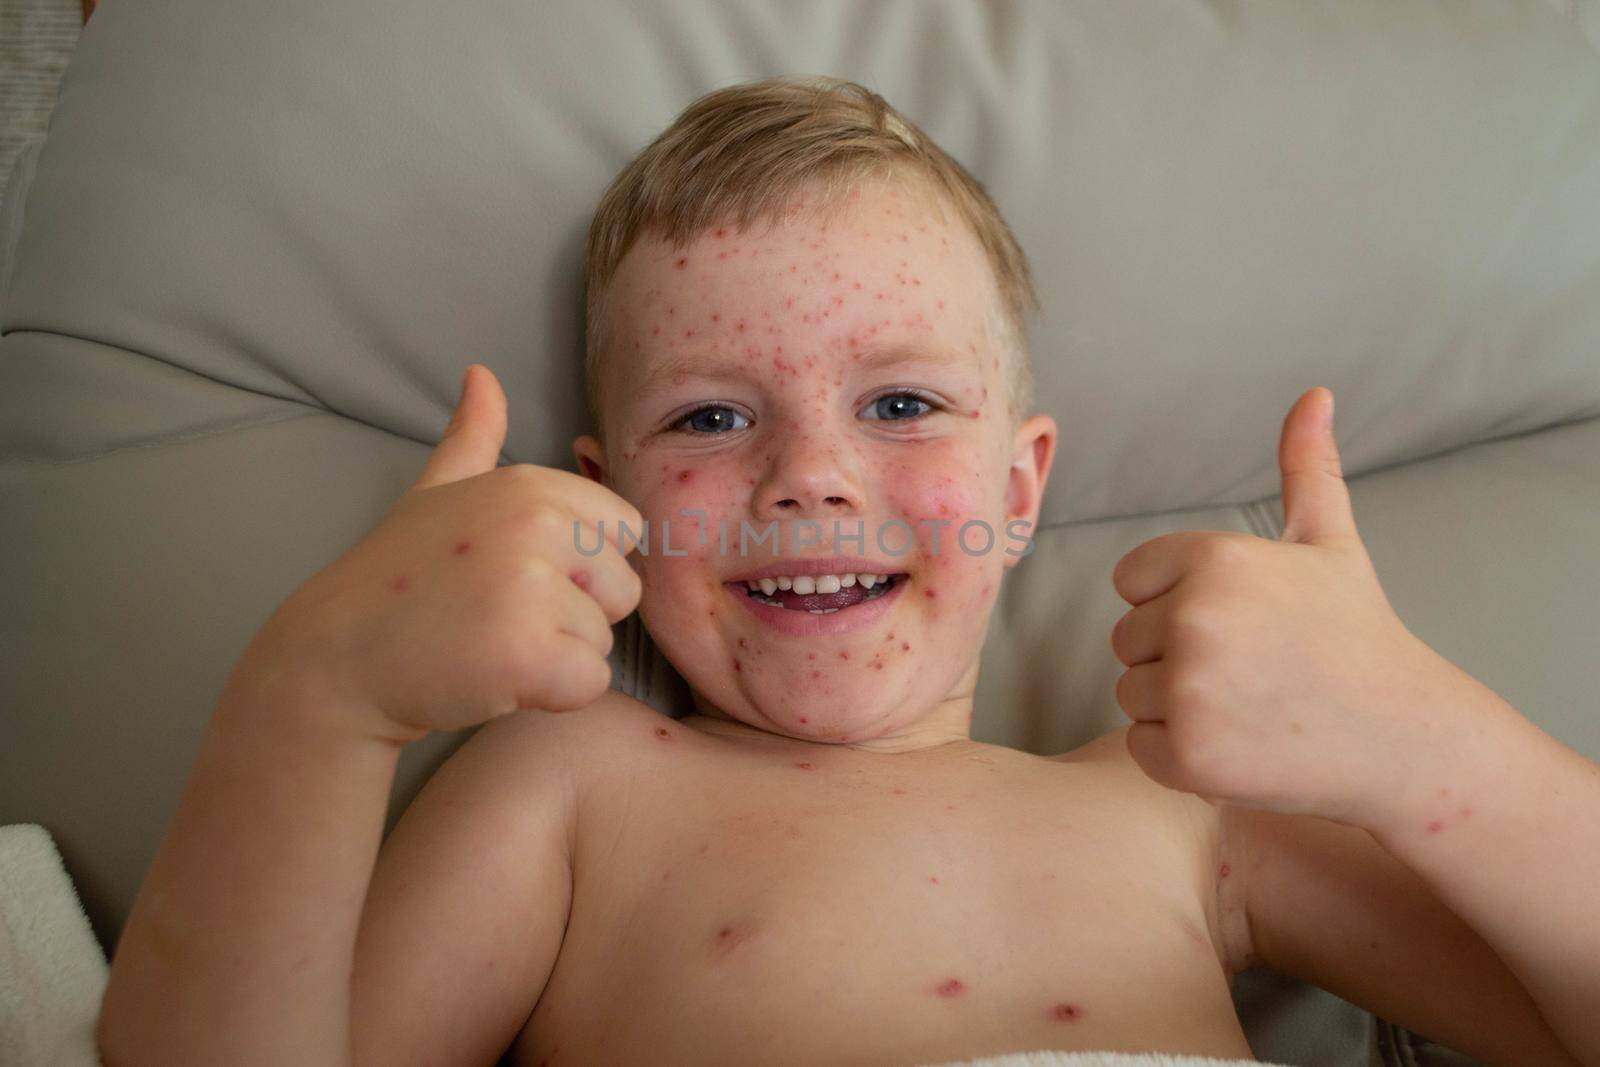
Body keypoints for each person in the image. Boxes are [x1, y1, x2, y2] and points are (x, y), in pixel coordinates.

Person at [97, 76, 1598, 1067]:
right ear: (603, 505)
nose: (809, 473)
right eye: (710, 416)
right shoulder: (570, 786)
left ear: (1020, 491)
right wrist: (319, 697)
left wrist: (1422, 742)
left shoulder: (1177, 804)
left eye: (899, 404)